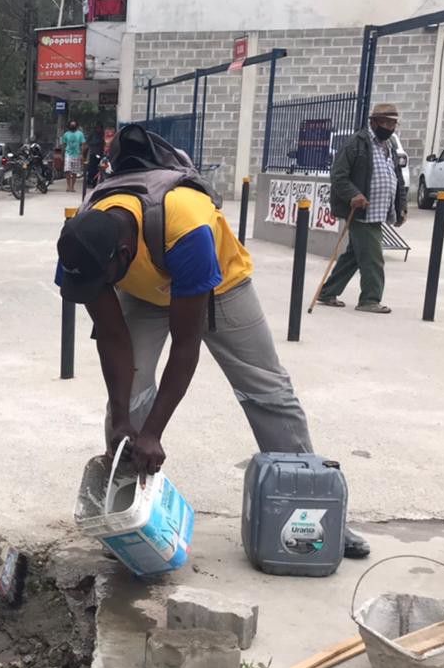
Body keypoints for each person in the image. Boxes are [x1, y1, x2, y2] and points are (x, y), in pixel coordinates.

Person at [56, 125, 369, 559]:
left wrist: (154, 433)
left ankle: (311, 506)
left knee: (266, 388)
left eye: (101, 280)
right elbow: (111, 336)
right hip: (145, 290)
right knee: (127, 394)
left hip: (218, 285)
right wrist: (128, 422)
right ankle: (126, 519)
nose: (95, 287)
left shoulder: (187, 227)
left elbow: (187, 346)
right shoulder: (82, 246)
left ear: (124, 252)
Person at [318, 103, 407, 314]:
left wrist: (400, 207)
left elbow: (397, 178)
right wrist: (354, 195)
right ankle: (370, 299)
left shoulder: (390, 145)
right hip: (362, 212)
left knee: (355, 256)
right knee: (373, 257)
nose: (390, 127)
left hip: (379, 212)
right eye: (386, 122)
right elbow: (338, 176)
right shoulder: (356, 144)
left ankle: (328, 291)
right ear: (374, 122)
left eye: (393, 123)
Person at [62, 120, 86, 193]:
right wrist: (62, 154)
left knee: (74, 172)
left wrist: (82, 154)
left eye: (74, 125)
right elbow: (63, 144)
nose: (73, 126)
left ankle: (72, 187)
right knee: (67, 170)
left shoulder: (80, 134)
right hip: (68, 154)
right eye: (71, 125)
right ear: (69, 126)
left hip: (77, 154)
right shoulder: (66, 134)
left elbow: (83, 144)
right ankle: (68, 186)